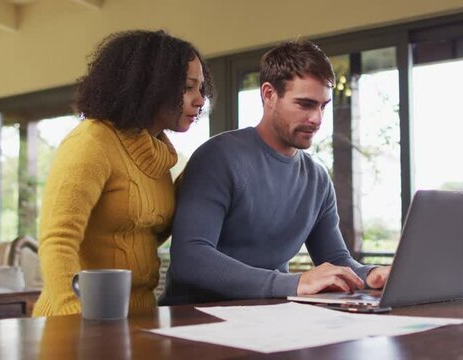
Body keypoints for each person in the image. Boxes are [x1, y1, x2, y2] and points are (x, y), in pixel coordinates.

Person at [160, 40, 390, 306]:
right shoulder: (218, 157)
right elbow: (191, 258)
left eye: (322, 106)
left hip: (270, 320)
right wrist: (295, 283)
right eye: (305, 104)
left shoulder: (317, 179)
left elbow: (336, 260)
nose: (316, 119)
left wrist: (370, 274)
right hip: (194, 320)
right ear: (269, 95)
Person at [33, 30, 214, 316]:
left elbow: (137, 236)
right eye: (188, 87)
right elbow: (58, 241)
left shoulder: (159, 156)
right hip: (79, 321)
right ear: (149, 85)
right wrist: (74, 317)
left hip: (137, 318)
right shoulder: (91, 142)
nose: (200, 100)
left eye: (201, 88)